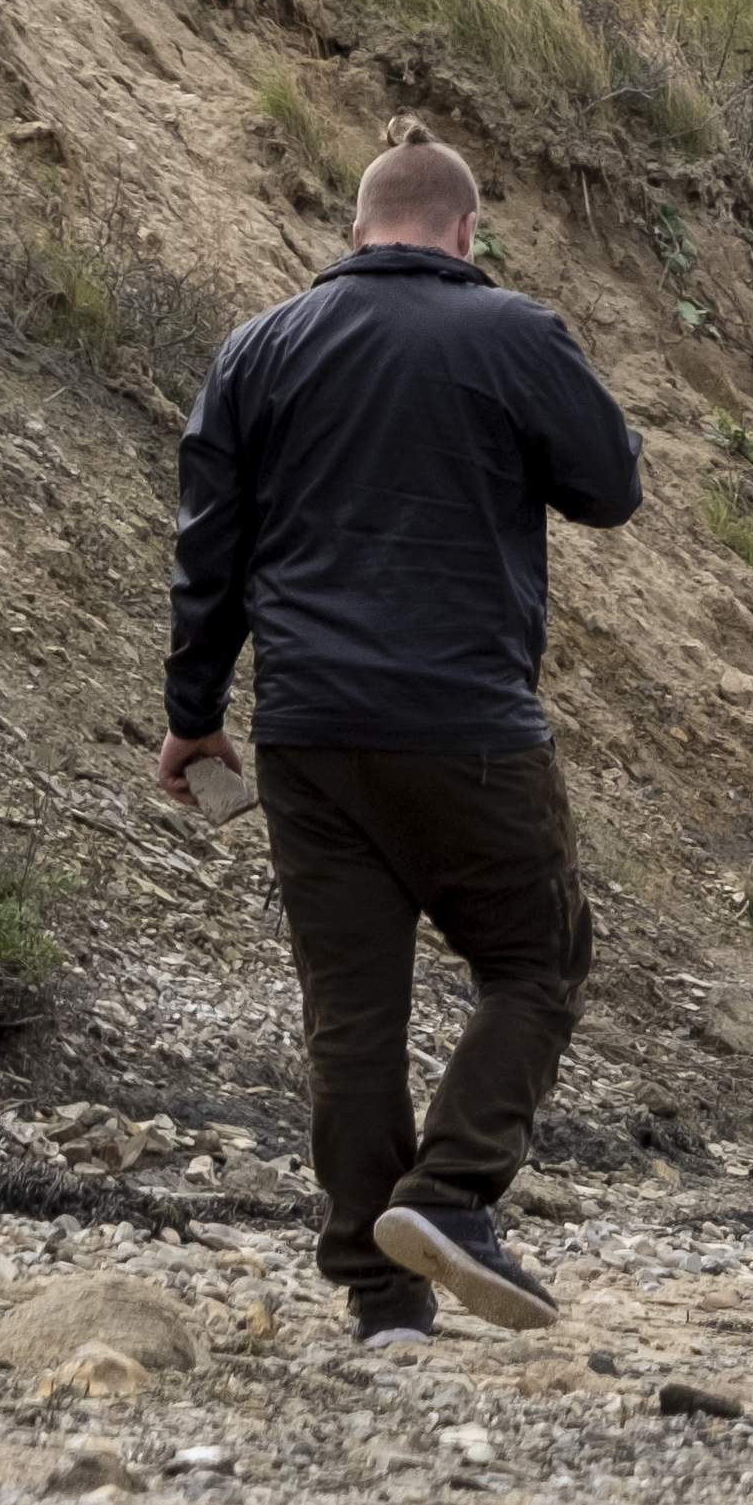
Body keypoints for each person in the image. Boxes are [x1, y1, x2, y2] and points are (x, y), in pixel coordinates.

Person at [159, 134, 643, 1345]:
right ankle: (451, 1194)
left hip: (308, 734)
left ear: (356, 220)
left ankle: (383, 1301)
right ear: (466, 231)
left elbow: (208, 549)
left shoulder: (258, 346)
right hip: (465, 722)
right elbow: (611, 487)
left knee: (352, 1014)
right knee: (540, 960)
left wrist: (191, 712)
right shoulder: (515, 333)